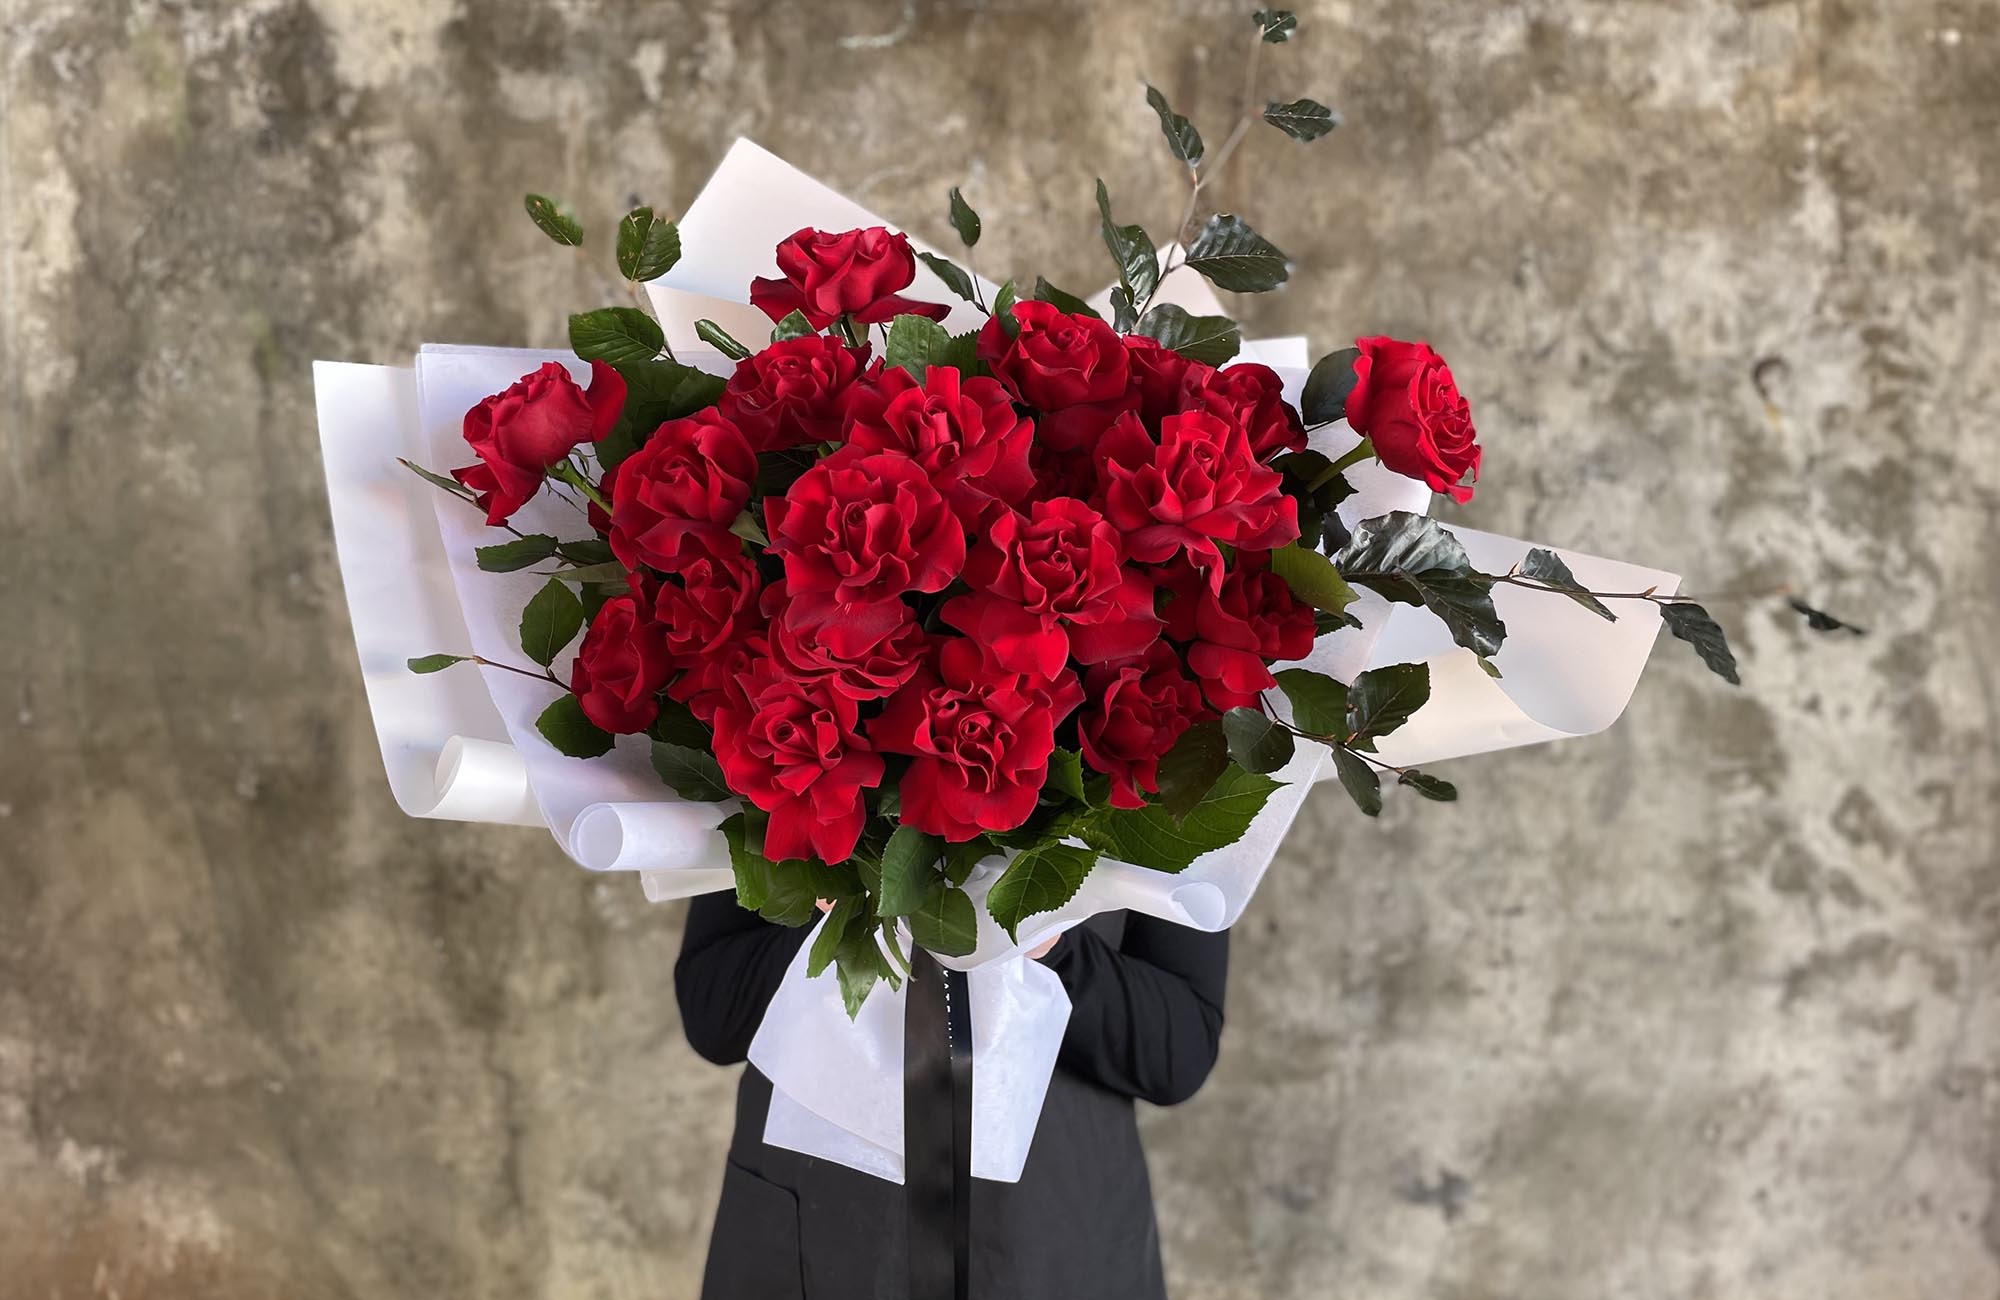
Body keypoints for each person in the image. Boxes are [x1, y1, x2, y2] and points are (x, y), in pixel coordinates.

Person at [675, 893, 1229, 1299]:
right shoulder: (762, 760)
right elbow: (712, 1014)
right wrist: (847, 907)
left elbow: (1178, 1056)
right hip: (816, 1229)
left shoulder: (1177, 766)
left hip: (1050, 1238)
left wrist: (1051, 944)